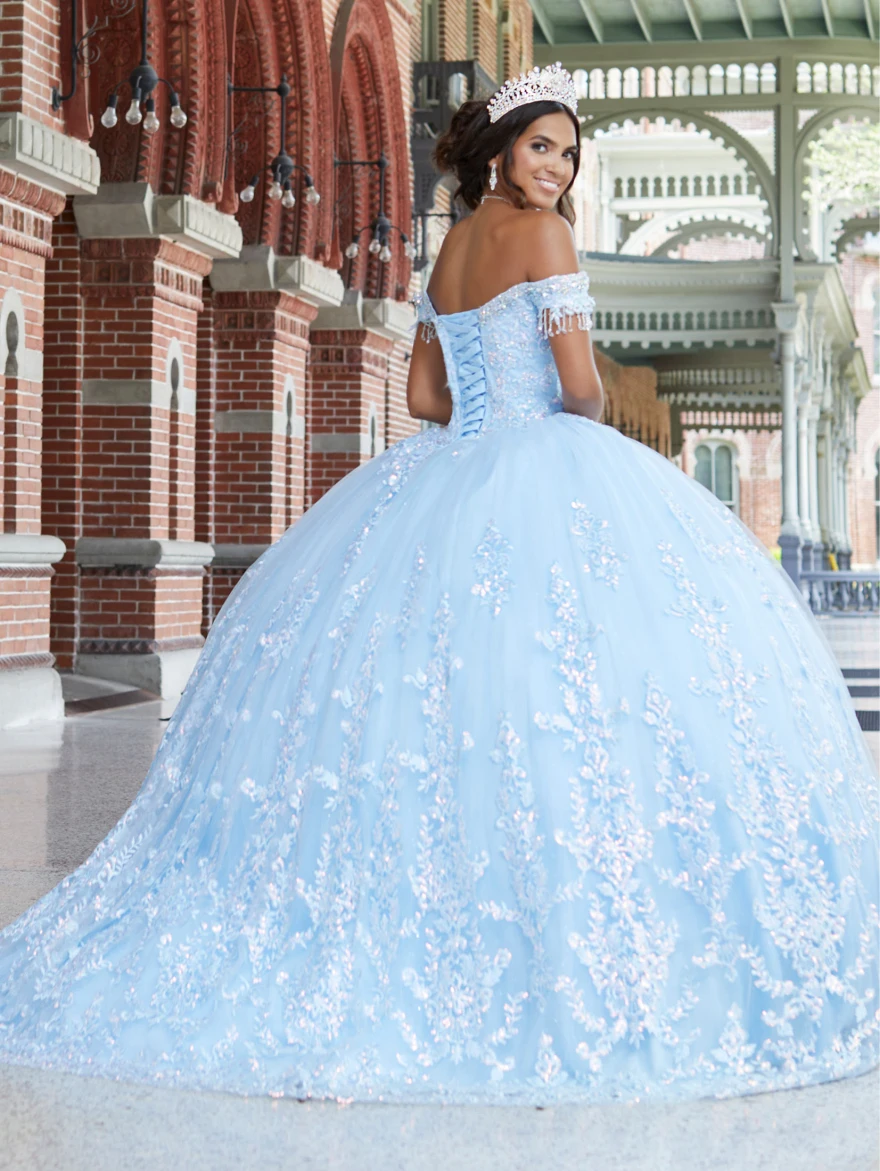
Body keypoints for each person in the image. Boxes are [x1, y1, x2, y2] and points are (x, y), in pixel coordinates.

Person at [0, 64, 877, 1106]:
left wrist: (484, 408)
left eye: (569, 152)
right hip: (543, 455)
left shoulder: (450, 248)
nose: (557, 168)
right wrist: (560, 416)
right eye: (542, 146)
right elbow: (584, 386)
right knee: (577, 695)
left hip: (444, 468)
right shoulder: (544, 239)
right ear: (501, 149)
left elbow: (423, 393)